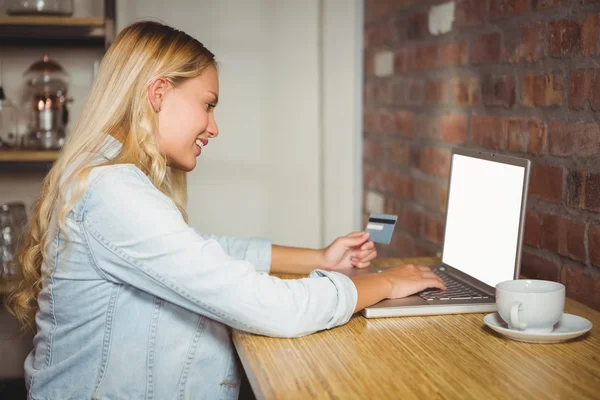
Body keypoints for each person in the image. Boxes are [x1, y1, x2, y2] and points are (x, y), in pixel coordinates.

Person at [5, 21, 445, 399]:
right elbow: (274, 308)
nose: (213, 127)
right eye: (208, 104)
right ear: (158, 93)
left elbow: (203, 251)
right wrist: (385, 282)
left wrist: (320, 259)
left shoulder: (108, 181)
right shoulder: (113, 192)